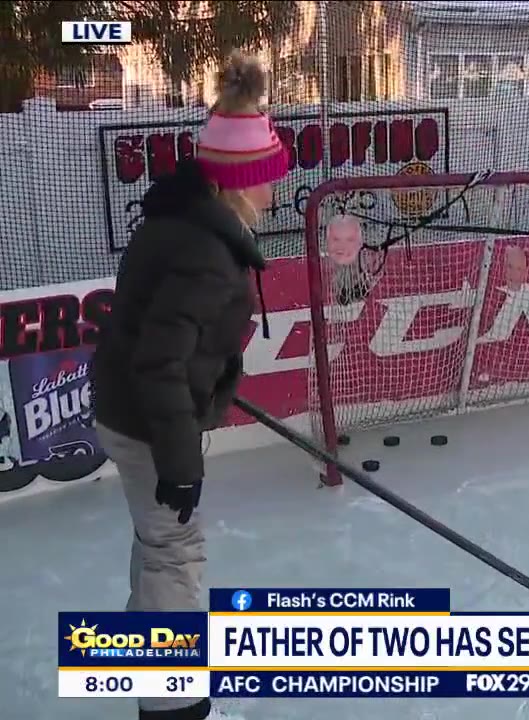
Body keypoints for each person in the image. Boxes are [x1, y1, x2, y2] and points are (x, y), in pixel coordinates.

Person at [90, 51, 287, 720]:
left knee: (157, 547)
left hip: (130, 409)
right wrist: (178, 464)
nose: (274, 192)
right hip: (148, 422)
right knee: (176, 550)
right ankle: (173, 707)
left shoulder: (181, 222)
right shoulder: (208, 254)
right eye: (267, 180)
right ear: (239, 184)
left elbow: (162, 336)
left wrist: (211, 381)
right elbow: (160, 362)